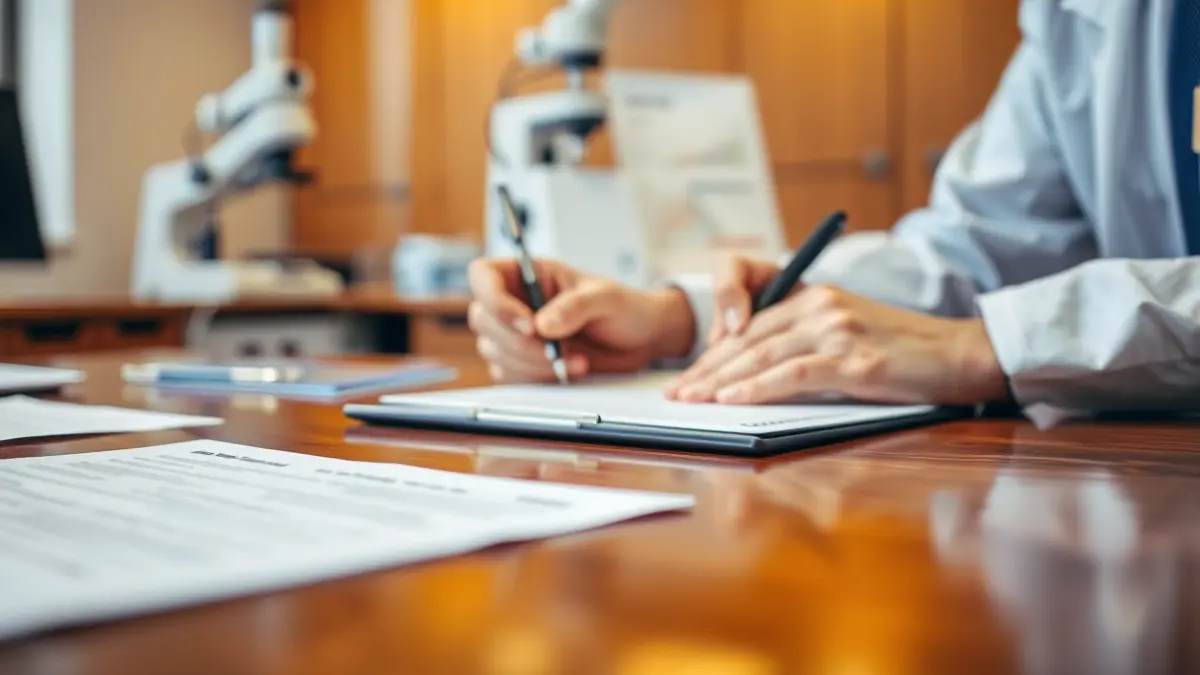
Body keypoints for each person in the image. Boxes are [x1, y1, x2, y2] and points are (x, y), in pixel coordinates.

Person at [468, 0, 1200, 413]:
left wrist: (985, 347)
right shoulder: (1082, 16)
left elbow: (969, 322)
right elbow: (970, 251)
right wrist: (674, 317)